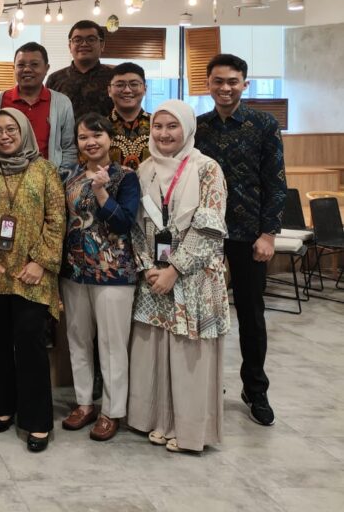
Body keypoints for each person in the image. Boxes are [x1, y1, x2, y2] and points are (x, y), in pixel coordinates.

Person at [129, 100, 231, 454]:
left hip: (194, 278)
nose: (164, 134)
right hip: (154, 278)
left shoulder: (207, 169)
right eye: (158, 126)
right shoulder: (144, 170)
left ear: (187, 128)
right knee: (155, 352)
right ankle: (158, 421)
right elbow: (136, 226)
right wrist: (148, 267)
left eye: (172, 126)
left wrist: (174, 269)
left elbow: (210, 229)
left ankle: (188, 430)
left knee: (189, 357)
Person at [0, 109, 65, 453]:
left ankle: (37, 420)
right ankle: (3, 406)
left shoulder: (45, 170)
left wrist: (40, 262)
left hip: (31, 274)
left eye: (11, 129)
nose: (4, 136)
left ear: (24, 132)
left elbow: (56, 220)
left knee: (30, 340)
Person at [195, 54, 285, 427]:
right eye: (218, 81)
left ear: (244, 84)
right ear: (208, 84)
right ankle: (206, 383)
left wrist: (268, 233)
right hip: (205, 233)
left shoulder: (264, 124)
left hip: (249, 234)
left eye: (233, 81)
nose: (225, 87)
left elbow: (276, 182)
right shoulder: (198, 127)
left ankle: (256, 389)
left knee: (250, 313)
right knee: (204, 311)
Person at [59, 112, 140, 442]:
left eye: (97, 135)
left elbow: (124, 223)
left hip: (113, 273)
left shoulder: (126, 177)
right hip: (74, 271)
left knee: (111, 344)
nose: (90, 142)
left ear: (110, 138)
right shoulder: (69, 175)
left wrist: (102, 192)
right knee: (78, 339)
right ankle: (84, 403)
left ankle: (112, 411)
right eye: (83, 137)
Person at [0, 42, 77, 176]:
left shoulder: (61, 103)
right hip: (5, 179)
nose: (27, 69)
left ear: (46, 68)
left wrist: (59, 178)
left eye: (34, 64)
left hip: (48, 179)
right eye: (21, 65)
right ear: (14, 68)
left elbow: (68, 147)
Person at [47, 20, 114, 119]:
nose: (84, 44)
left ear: (102, 45)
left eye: (91, 39)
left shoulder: (114, 78)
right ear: (70, 46)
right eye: (77, 40)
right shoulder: (55, 79)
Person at [107, 62, 151, 170]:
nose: (127, 90)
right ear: (109, 90)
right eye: (119, 85)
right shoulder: (99, 128)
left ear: (145, 89)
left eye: (134, 84)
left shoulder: (158, 125)